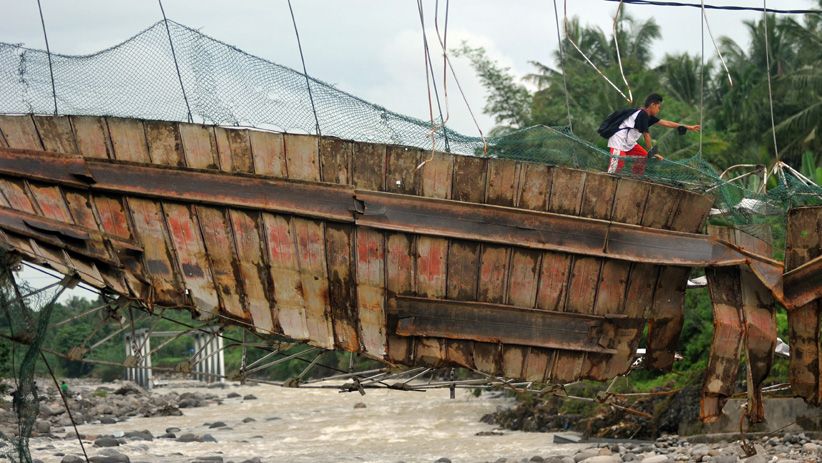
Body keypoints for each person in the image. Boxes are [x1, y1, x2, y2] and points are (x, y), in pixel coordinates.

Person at [605, 93, 700, 175]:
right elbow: (646, 135)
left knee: (643, 157)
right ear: (652, 105)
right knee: (618, 164)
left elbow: (667, 123)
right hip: (619, 141)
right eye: (659, 107)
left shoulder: (648, 116)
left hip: (629, 143)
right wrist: (653, 153)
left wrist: (688, 127)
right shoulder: (642, 114)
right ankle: (610, 179)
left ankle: (635, 178)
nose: (659, 110)